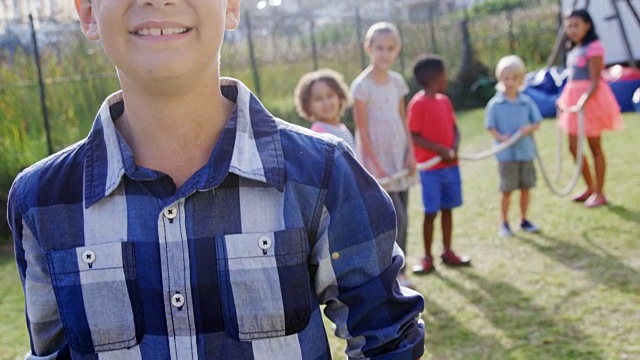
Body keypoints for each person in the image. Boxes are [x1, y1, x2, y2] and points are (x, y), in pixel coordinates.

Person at [6, 1, 425, 359]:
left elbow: (388, 340)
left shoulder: (323, 174)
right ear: (87, 12)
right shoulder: (41, 200)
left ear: (231, 6)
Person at [350, 21, 416, 288]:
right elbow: (362, 130)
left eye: (390, 49)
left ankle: (401, 267)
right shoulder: (361, 86)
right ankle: (391, 270)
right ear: (368, 48)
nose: (384, 54)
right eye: (379, 48)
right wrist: (375, 166)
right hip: (376, 160)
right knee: (393, 217)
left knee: (405, 215)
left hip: (398, 155)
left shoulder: (398, 82)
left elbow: (403, 119)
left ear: (397, 50)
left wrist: (410, 152)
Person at [407, 54, 470, 274]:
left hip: (450, 168)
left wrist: (454, 148)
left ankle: (448, 251)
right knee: (431, 212)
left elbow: (455, 129)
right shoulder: (418, 103)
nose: (447, 78)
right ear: (436, 77)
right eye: (444, 74)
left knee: (448, 209)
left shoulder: (444, 101)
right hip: (431, 170)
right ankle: (427, 257)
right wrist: (440, 150)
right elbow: (413, 134)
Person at [556, 8, 623, 208]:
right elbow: (571, 80)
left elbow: (595, 81)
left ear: (587, 25)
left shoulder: (594, 47)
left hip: (590, 103)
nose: (572, 30)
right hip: (573, 101)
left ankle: (600, 193)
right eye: (569, 26)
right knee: (573, 146)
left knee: (595, 147)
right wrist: (564, 101)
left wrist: (582, 102)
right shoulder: (574, 48)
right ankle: (590, 187)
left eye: (576, 25)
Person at [485, 55, 543, 237]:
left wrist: (529, 128)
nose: (510, 82)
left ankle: (524, 220)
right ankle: (504, 223)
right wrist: (502, 137)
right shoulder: (494, 104)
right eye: (506, 78)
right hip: (506, 156)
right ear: (500, 79)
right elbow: (490, 126)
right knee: (507, 190)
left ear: (521, 79)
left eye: (514, 78)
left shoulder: (526, 102)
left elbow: (537, 121)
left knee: (526, 188)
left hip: (525, 153)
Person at [293, 68, 355, 150]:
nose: (326, 103)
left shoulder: (342, 127)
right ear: (308, 106)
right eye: (318, 99)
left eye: (330, 95)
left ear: (339, 96)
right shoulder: (318, 134)